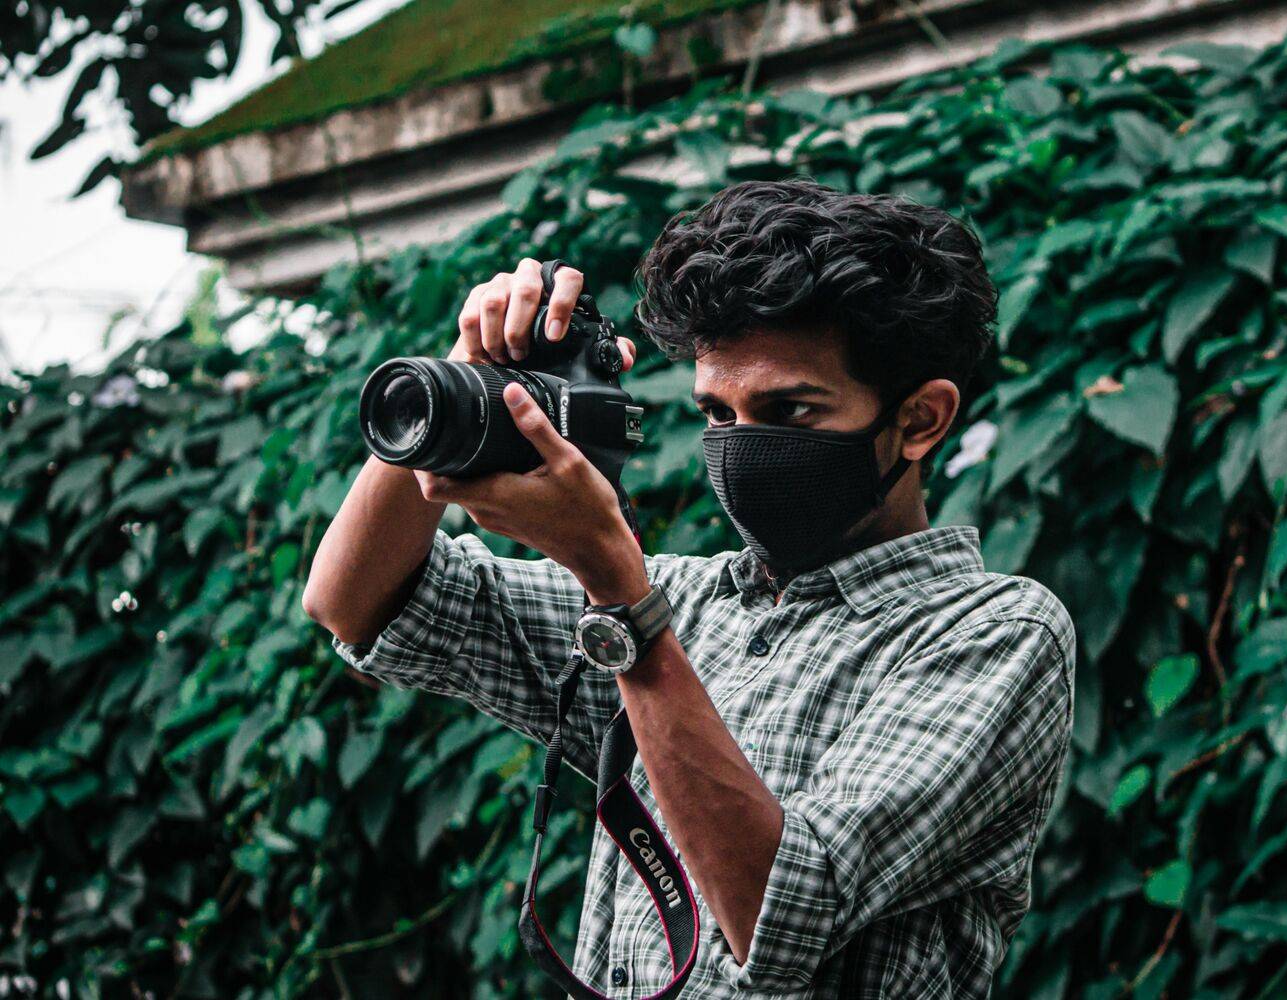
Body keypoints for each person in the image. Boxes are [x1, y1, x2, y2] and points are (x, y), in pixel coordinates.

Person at [303, 178, 1076, 999]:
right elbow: (359, 601)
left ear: (921, 419)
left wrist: (621, 604)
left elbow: (782, 911)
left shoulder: (994, 633)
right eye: (717, 413)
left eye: (790, 410)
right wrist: (467, 378)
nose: (741, 449)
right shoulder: (689, 601)